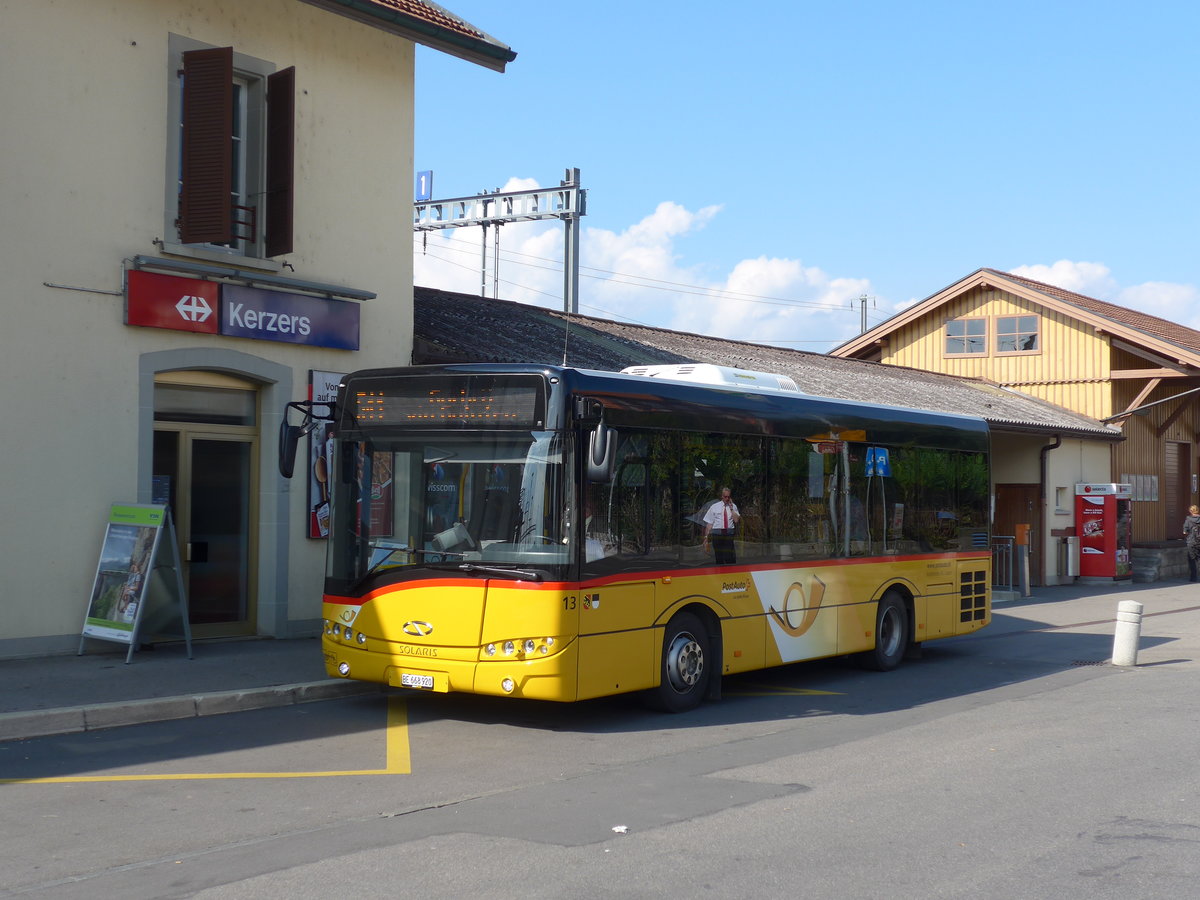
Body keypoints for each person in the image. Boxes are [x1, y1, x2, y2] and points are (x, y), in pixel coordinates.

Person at [702, 486, 741, 564]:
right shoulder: (714, 507)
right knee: (719, 557)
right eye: (725, 497)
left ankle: (730, 570)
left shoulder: (733, 506)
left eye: (728, 497)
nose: (727, 498)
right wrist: (706, 538)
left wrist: (731, 508)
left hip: (729, 534)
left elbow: (736, 520)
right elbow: (709, 523)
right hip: (717, 534)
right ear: (722, 496)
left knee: (729, 557)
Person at [1184, 505, 1200, 582]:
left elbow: (1185, 532)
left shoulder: (1188, 520)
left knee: (1192, 559)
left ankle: (1193, 577)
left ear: (1190, 511)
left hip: (1191, 542)